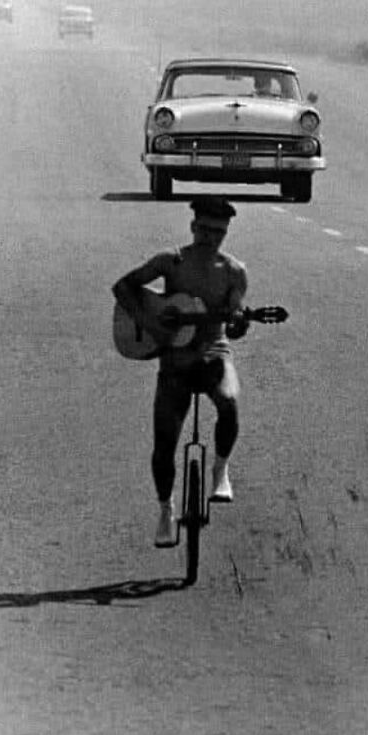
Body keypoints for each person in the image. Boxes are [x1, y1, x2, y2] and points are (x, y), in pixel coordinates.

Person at [112, 196, 249, 547]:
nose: (210, 238)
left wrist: (238, 323)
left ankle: (220, 470)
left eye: (218, 233)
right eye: (204, 229)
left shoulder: (234, 272)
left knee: (230, 404)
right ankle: (165, 509)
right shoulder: (171, 262)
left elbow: (234, 325)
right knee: (164, 442)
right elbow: (123, 287)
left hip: (213, 354)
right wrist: (153, 327)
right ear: (193, 227)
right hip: (175, 362)